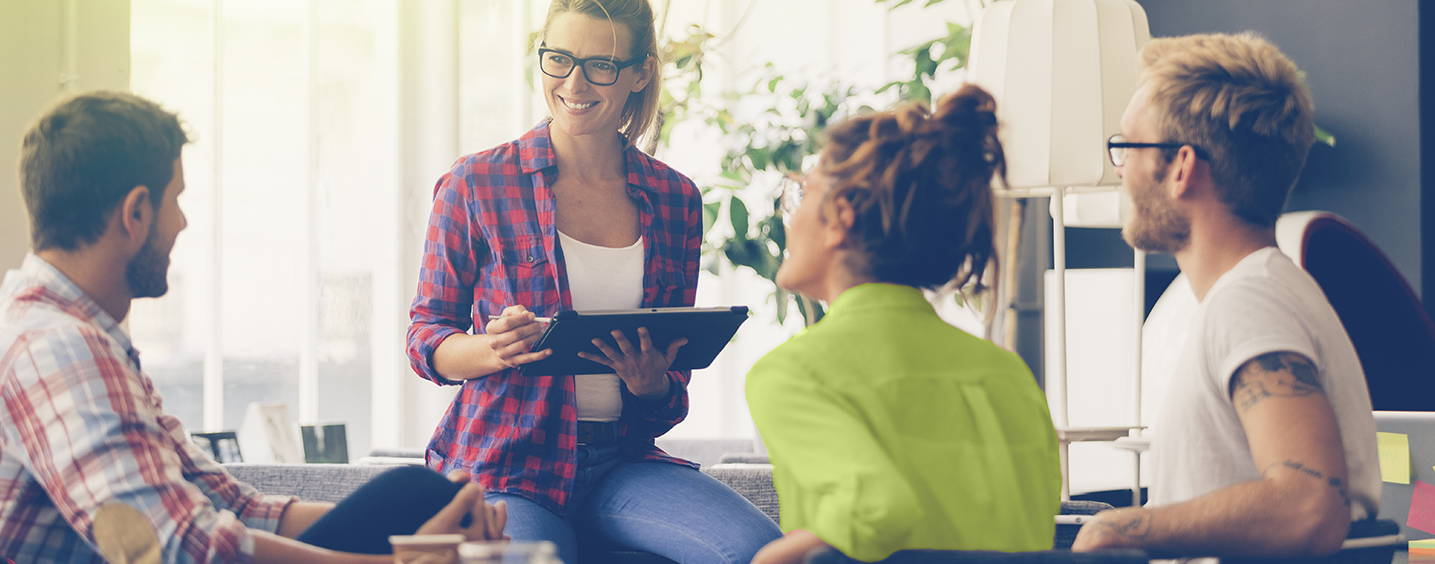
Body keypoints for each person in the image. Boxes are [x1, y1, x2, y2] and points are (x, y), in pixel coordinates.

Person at [0, 91, 506, 564]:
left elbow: (229, 505)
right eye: (176, 201)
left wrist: (416, 527)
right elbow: (183, 551)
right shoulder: (59, 352)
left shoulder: (47, 332)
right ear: (135, 213)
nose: (182, 222)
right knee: (419, 505)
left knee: (418, 496)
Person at [404, 1, 782, 562]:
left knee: (759, 551)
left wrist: (651, 383)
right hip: (507, 464)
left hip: (622, 463)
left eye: (600, 65)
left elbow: (668, 389)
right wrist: (494, 349)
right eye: (558, 59)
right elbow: (426, 337)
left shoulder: (675, 198)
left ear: (641, 72)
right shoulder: (476, 182)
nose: (573, 83)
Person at [1072, 33, 1380, 557]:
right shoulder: (1262, 293)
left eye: (1128, 147)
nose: (1119, 169)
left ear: (1181, 168)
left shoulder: (1250, 303)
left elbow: (1309, 504)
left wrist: (1118, 530)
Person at [746, 85, 1062, 564]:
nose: (787, 215)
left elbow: (877, 508)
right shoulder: (1009, 376)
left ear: (840, 218)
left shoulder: (792, 376)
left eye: (801, 194)